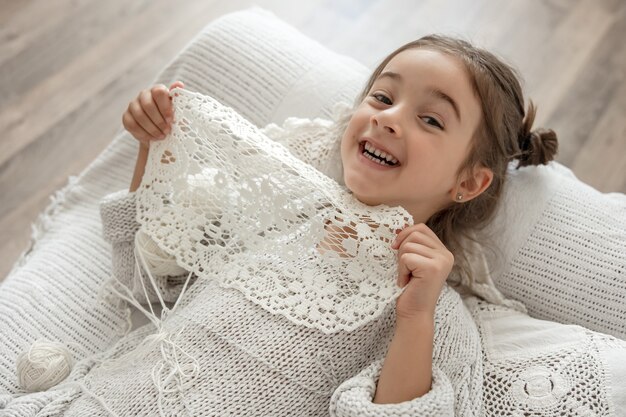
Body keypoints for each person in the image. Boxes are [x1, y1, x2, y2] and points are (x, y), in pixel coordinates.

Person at [101, 34, 557, 415]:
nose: (388, 118)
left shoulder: (431, 311)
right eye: (382, 96)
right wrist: (153, 146)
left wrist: (416, 317)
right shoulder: (279, 217)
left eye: (431, 120)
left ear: (469, 182)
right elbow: (143, 289)